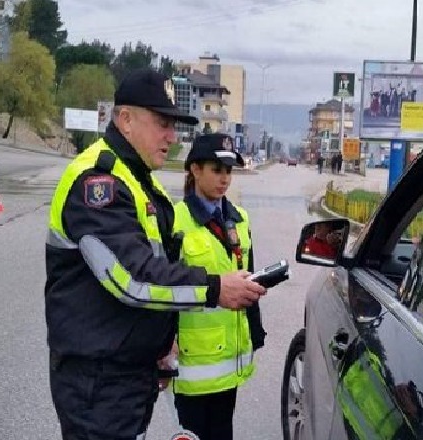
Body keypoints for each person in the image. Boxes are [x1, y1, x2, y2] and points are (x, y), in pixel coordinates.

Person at [44, 68, 267, 439]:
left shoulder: (137, 179)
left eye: (174, 125)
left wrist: (160, 344)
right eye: (162, 123)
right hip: (99, 380)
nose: (171, 136)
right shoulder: (99, 182)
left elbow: (156, 271)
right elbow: (133, 277)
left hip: (127, 371)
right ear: (126, 120)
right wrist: (215, 288)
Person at [170, 133, 267, 440]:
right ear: (195, 170)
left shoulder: (239, 219)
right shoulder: (175, 220)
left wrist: (255, 330)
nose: (225, 179)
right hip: (193, 359)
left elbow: (246, 274)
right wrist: (162, 339)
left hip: (230, 359)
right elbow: (163, 286)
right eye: (216, 170)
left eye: (229, 171)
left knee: (224, 432)